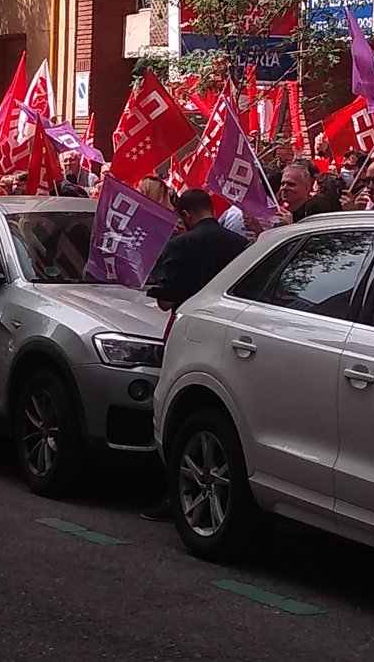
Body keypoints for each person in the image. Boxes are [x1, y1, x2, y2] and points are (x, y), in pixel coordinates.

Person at [142, 189, 249, 521]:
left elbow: (165, 301)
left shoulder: (181, 246)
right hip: (227, 333)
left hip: (188, 333)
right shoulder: (239, 245)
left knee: (174, 410)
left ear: (185, 215)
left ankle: (172, 492)